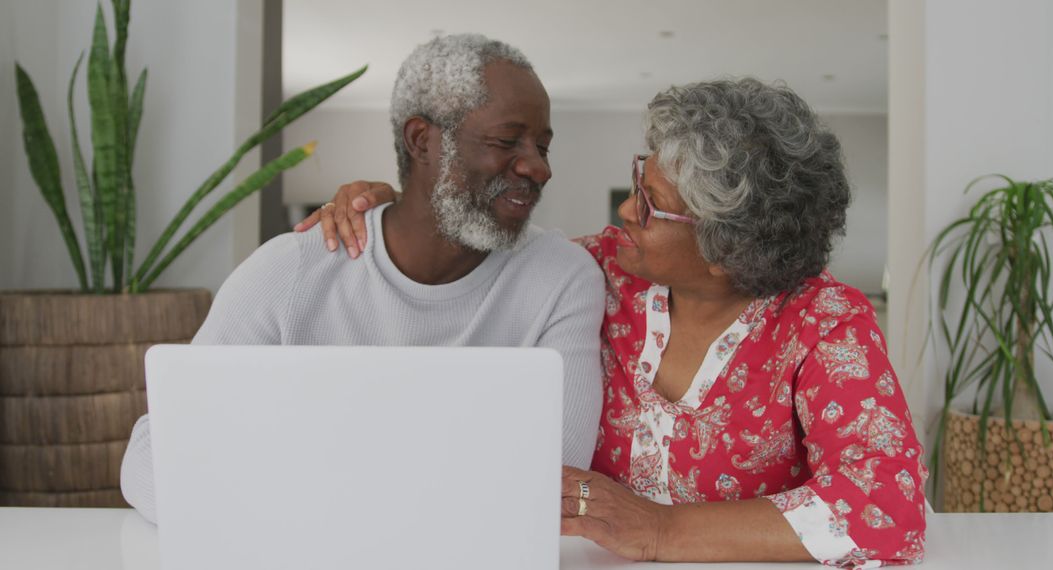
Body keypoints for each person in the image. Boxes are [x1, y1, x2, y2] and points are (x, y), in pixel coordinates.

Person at [305, 78, 927, 566]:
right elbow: (458, 268)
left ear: (728, 249)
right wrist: (393, 209)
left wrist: (660, 530)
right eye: (639, 178)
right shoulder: (595, 270)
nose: (627, 207)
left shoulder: (825, 323)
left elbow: (887, 509)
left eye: (652, 205)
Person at [119, 34, 605, 524]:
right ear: (422, 140)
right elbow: (149, 459)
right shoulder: (290, 272)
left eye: (542, 146)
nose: (539, 168)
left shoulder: (560, 278)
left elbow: (557, 482)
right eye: (506, 141)